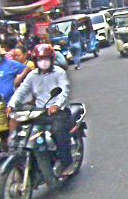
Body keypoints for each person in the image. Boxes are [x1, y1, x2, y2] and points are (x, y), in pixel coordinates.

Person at [7, 44, 77, 176]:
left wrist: (56, 105)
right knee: (25, 131)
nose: (43, 62)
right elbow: (21, 91)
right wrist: (11, 105)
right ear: (35, 61)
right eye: (40, 59)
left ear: (51, 59)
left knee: (58, 131)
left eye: (46, 59)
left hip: (59, 112)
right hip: (40, 111)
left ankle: (67, 162)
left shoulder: (59, 73)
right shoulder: (32, 75)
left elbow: (64, 91)